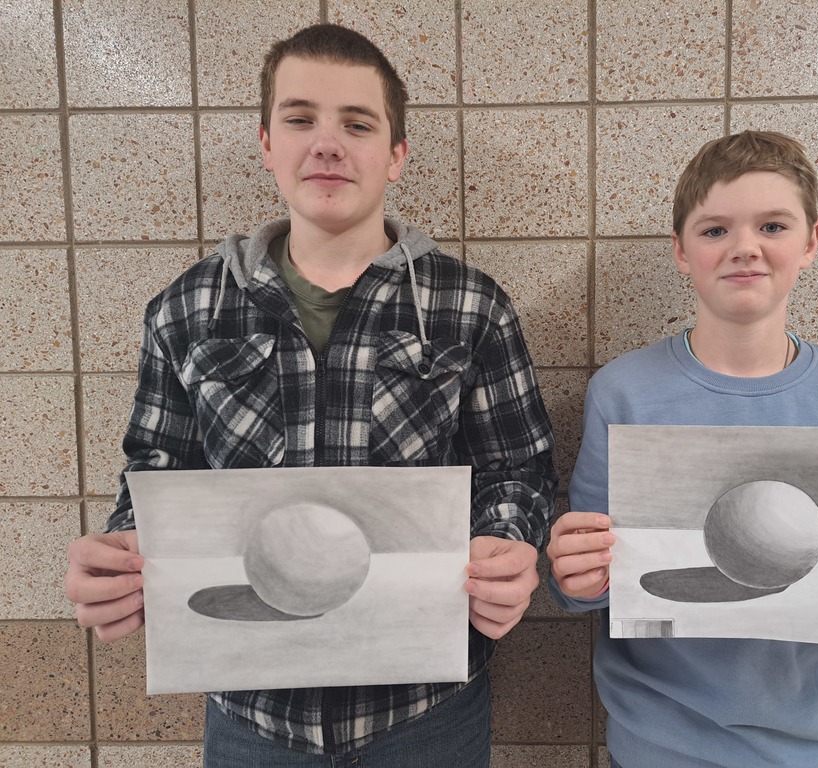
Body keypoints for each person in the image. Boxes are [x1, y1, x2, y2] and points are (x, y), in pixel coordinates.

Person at [64, 23, 557, 767]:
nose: (327, 143)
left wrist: (509, 543)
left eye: (357, 124)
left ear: (396, 155)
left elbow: (519, 469)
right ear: (266, 143)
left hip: (425, 709)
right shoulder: (188, 311)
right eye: (300, 119)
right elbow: (156, 472)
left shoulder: (471, 307)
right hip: (252, 716)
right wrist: (126, 556)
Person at [546, 130, 818, 768]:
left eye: (773, 225)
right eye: (714, 230)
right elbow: (588, 590)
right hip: (658, 746)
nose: (745, 248)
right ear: (680, 251)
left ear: (812, 242)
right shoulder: (623, 393)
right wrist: (574, 571)